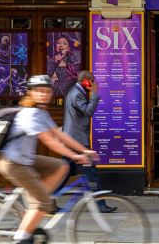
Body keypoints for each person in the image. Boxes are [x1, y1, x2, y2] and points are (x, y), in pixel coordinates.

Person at [0, 74, 94, 242]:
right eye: (39, 91)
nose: (43, 94)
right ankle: (22, 236)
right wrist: (75, 156)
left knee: (61, 166)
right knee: (45, 201)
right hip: (13, 163)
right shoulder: (31, 114)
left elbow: (60, 135)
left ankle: (36, 202)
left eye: (47, 91)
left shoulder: (41, 112)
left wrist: (83, 150)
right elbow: (49, 141)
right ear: (31, 93)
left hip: (26, 159)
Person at [62, 70, 114, 213]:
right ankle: (100, 205)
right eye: (92, 81)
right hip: (77, 140)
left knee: (63, 172)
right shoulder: (76, 94)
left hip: (73, 138)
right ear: (85, 81)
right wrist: (95, 94)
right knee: (91, 173)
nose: (93, 83)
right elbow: (88, 111)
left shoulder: (75, 92)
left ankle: (47, 200)